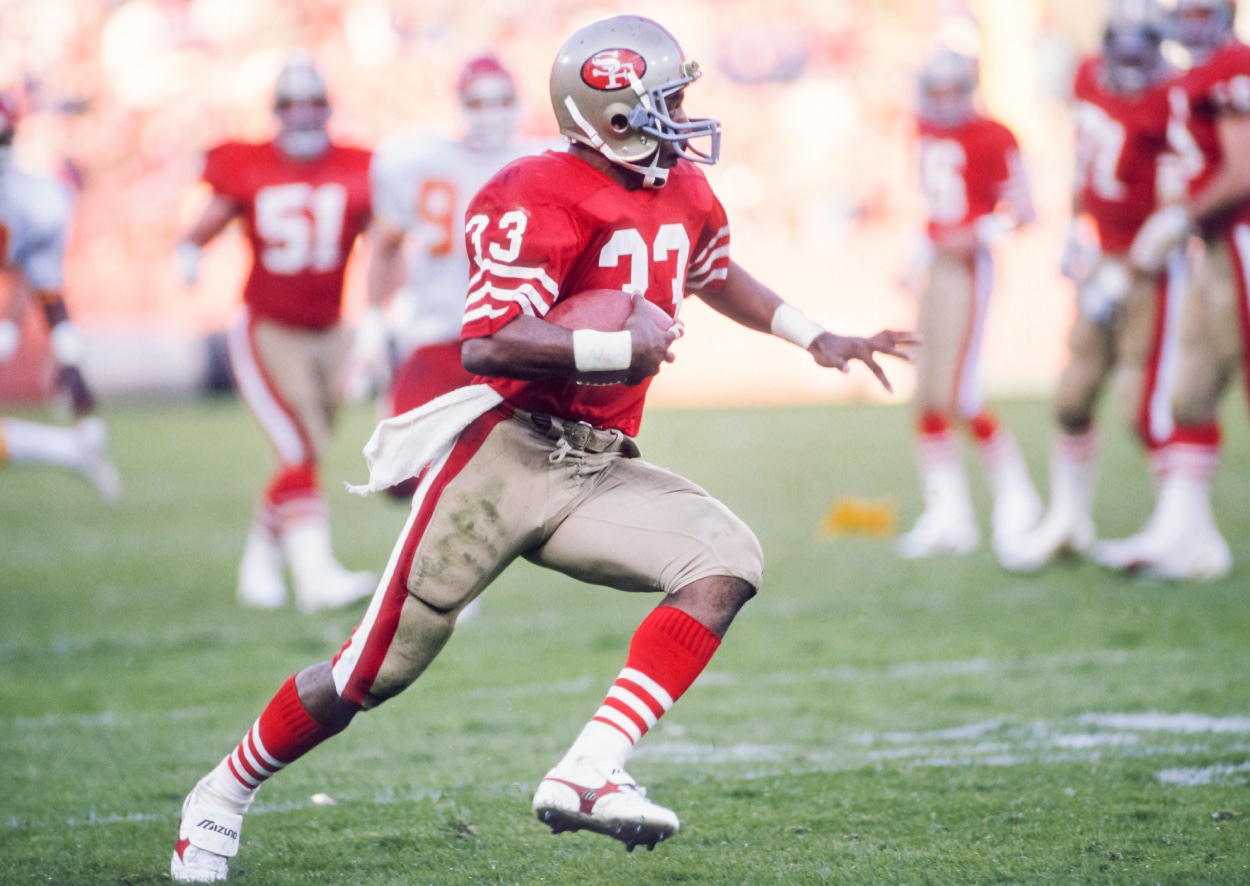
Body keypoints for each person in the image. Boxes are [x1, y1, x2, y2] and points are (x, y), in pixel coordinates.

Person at [169, 15, 918, 882]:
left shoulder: (680, 187)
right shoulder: (536, 191)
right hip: (501, 456)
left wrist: (812, 334)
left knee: (725, 562)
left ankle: (589, 769)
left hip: (596, 460)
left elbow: (712, 270)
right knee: (366, 676)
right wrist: (613, 351)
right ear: (611, 113)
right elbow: (487, 343)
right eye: (664, 100)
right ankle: (219, 796)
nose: (680, 113)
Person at [175, 51, 377, 613]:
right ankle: (315, 578)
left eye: (314, 103)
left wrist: (384, 315)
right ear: (277, 111)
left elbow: (386, 237)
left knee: (306, 449)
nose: (304, 115)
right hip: (268, 326)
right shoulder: (248, 163)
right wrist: (189, 247)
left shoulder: (358, 165)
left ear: (328, 108)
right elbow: (214, 214)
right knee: (297, 445)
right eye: (292, 105)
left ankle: (258, 565)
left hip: (331, 327)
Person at [1000, 0, 1180, 572]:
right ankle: (1069, 520)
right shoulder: (1086, 77)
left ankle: (1179, 525)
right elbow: (1082, 160)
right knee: (1072, 396)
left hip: (1153, 264)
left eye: (1139, 49)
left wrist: (1131, 269)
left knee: (1144, 406)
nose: (1126, 63)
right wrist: (1077, 231)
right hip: (1100, 255)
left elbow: (1179, 197)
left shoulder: (1172, 98)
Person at [357, 53, 560, 501]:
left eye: (502, 100)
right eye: (478, 102)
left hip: (517, 340)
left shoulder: (548, 163)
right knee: (399, 476)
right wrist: (373, 318)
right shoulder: (418, 159)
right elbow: (385, 244)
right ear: (459, 103)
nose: (490, 115)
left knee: (530, 475)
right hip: (439, 332)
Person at [1092, 0, 1250, 580]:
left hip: (1239, 241)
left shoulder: (1235, 66)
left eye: (1200, 12)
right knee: (1188, 396)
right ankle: (1186, 536)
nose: (1189, 25)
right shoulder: (1195, 75)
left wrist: (1181, 216)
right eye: (1182, 14)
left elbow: (1243, 169)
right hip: (1210, 249)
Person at [894, 44, 1041, 563]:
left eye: (953, 88)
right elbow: (927, 204)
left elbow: (1025, 211)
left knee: (962, 396)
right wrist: (915, 259)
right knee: (928, 396)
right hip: (937, 265)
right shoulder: (923, 128)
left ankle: (1018, 500)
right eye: (937, 89)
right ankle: (948, 515)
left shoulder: (995, 134)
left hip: (970, 267)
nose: (945, 98)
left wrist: (977, 231)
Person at [0, 90, 120, 504]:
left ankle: (79, 441)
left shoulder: (37, 199)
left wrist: (9, 326)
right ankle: (74, 448)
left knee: (66, 343)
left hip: (35, 275)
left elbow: (34, 277)